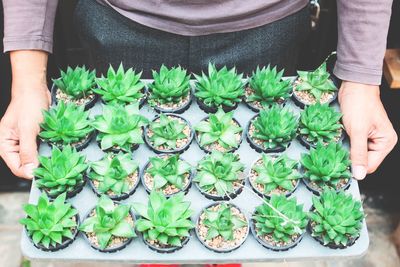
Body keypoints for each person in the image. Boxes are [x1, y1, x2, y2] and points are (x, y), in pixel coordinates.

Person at [0, 0, 397, 183]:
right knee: (129, 162)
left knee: (244, 161)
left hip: (266, 26)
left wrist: (361, 79)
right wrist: (28, 80)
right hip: (119, 22)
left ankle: (225, 244)